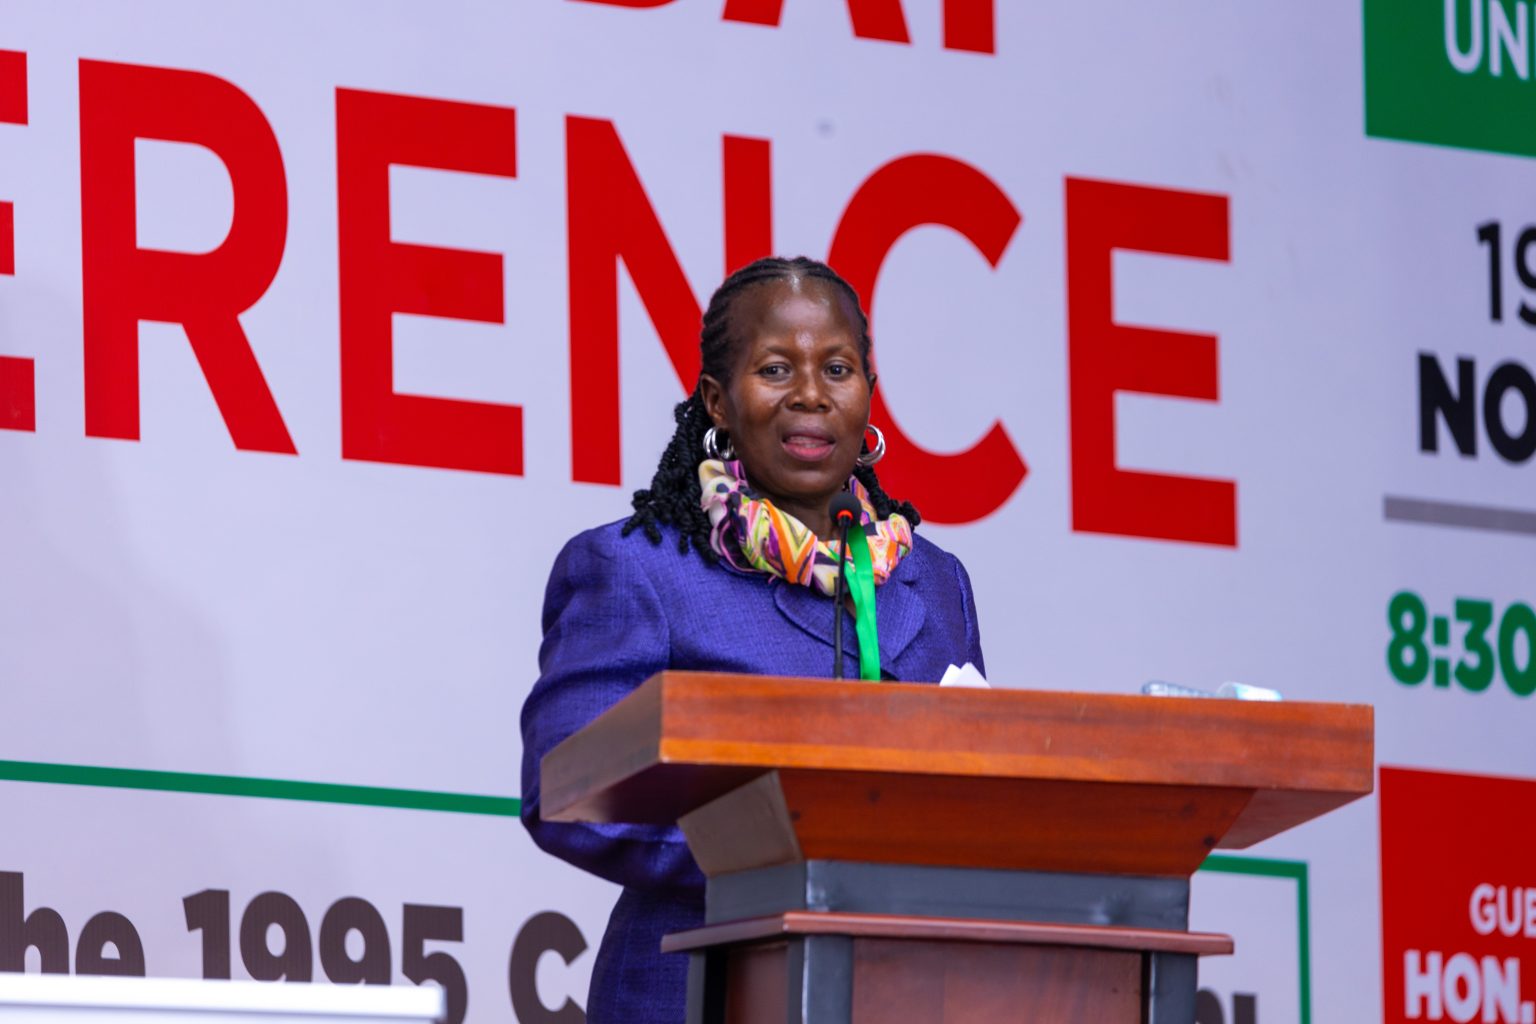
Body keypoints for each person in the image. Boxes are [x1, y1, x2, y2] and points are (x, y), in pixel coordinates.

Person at [519, 256, 986, 1023]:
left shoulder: (934, 582)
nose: (811, 393)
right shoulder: (638, 569)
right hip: (696, 991)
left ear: (867, 390)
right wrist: (780, 855)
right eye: (776, 368)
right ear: (719, 402)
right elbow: (563, 792)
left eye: (837, 367)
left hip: (908, 992)